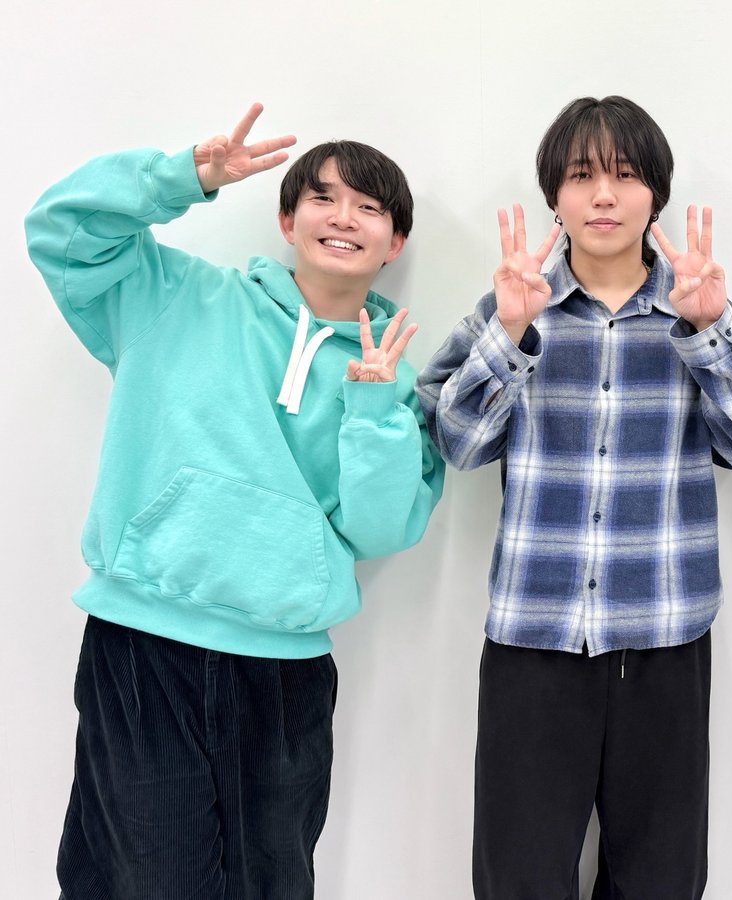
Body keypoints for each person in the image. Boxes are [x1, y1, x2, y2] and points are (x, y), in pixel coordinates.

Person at [26, 103, 444, 899]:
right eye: (323, 197)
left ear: (394, 244)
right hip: (143, 642)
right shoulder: (178, 295)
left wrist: (369, 405)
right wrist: (178, 177)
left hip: (284, 670)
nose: (343, 217)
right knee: (138, 880)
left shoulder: (391, 376)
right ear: (287, 221)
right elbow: (60, 231)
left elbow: (382, 528)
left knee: (271, 884)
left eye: (369, 206)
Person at [418, 95, 732, 899]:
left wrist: (707, 333)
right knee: (519, 879)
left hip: (665, 636)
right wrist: (511, 335)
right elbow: (459, 446)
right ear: (556, 195)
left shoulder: (700, 303)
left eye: (625, 175)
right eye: (583, 176)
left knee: (660, 881)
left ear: (656, 193)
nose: (605, 195)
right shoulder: (511, 304)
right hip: (534, 637)